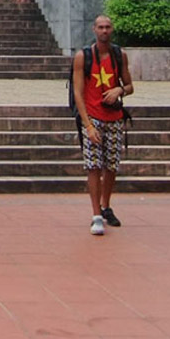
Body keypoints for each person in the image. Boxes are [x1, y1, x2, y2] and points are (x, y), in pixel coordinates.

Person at [72, 14, 134, 236]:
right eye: (100, 27)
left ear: (112, 29)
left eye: (107, 27)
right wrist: (88, 125)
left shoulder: (119, 55)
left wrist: (119, 90)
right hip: (94, 118)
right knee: (93, 165)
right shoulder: (83, 57)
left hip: (114, 117)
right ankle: (96, 214)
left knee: (111, 166)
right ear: (94, 29)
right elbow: (78, 93)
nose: (104, 31)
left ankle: (106, 205)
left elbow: (130, 86)